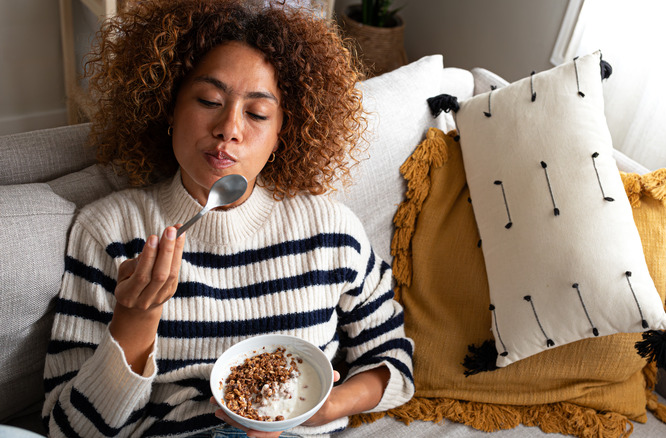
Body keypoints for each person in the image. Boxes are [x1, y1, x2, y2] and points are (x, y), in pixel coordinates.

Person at [42, 1, 414, 437]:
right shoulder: (109, 232)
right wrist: (135, 321)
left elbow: (393, 360)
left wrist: (325, 406)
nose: (229, 128)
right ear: (169, 107)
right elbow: (65, 430)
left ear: (282, 133)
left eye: (257, 113)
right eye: (209, 100)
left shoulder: (330, 232)